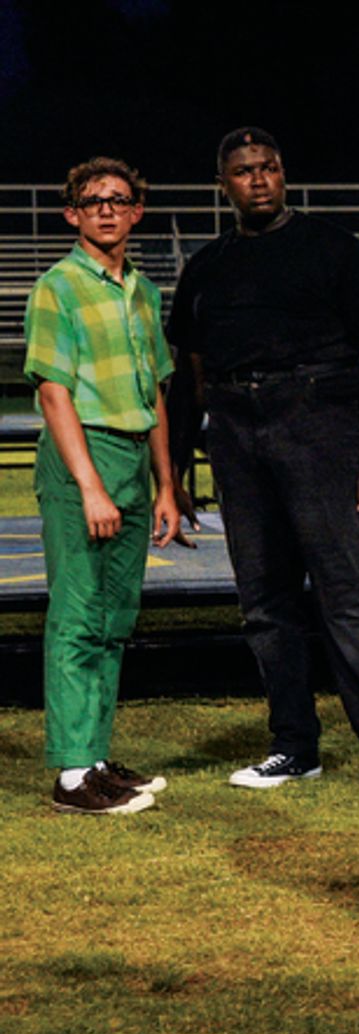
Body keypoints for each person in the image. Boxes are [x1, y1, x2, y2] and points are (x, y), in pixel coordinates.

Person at [165, 127, 359, 796]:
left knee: (348, 591)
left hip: (319, 424)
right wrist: (178, 468)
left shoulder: (330, 246)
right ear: (224, 183)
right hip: (236, 431)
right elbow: (188, 374)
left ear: (284, 174)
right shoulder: (207, 266)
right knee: (265, 599)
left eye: (269, 167)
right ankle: (293, 745)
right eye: (245, 170)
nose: (259, 179)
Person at [23, 157, 181, 815]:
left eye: (118, 199)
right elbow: (54, 392)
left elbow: (156, 392)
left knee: (115, 620)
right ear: (73, 214)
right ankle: (70, 773)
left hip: (132, 463)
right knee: (78, 617)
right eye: (92, 201)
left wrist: (167, 484)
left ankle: (94, 756)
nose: (106, 210)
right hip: (80, 458)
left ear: (136, 210)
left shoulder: (140, 291)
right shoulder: (58, 287)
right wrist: (90, 485)